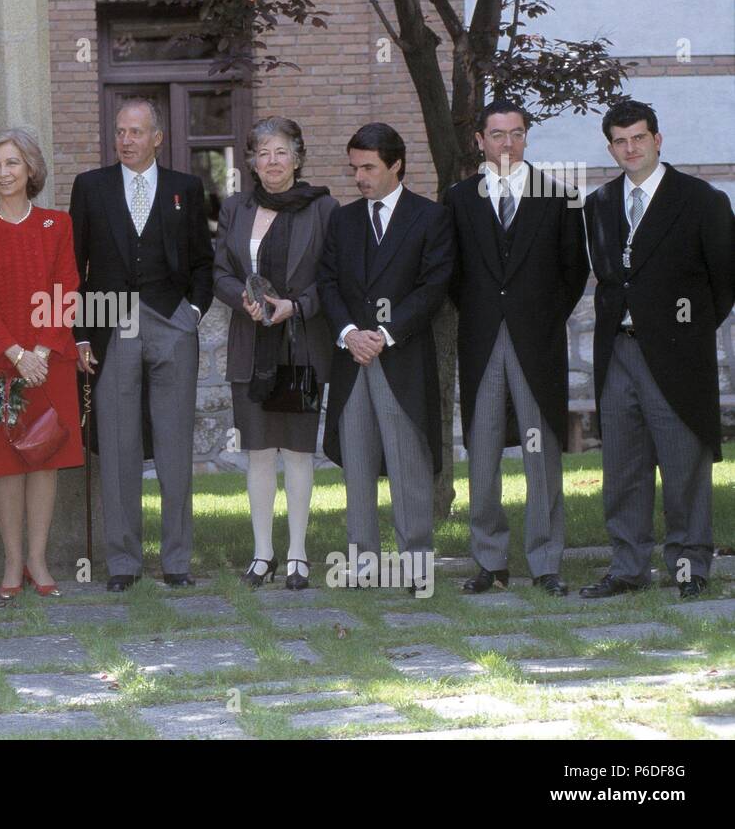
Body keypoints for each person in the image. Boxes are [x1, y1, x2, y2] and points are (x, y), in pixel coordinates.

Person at [580, 100, 733, 600]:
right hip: (617, 353)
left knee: (683, 466)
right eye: (620, 141)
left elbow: (724, 281)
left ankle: (689, 568)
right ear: (610, 148)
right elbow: (610, 280)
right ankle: (628, 568)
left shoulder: (701, 200)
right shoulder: (599, 204)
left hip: (676, 352)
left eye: (639, 138)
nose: (631, 148)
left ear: (657, 139)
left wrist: (685, 331)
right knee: (623, 468)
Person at [445, 100, 589, 597]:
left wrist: (541, 317)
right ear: (479, 141)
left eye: (517, 133)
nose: (508, 143)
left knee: (540, 452)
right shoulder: (458, 199)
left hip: (538, 342)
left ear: (526, 137)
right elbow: (452, 272)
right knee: (482, 451)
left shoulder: (560, 196)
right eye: (498, 134)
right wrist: (482, 312)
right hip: (482, 340)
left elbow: (573, 271)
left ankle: (546, 562)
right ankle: (490, 561)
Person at [69, 98, 214, 591]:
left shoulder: (185, 188)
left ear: (157, 138)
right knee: (117, 446)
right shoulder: (90, 187)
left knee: (174, 445)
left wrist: (193, 313)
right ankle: (123, 564)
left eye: (135, 132)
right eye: (119, 131)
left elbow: (203, 261)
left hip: (171, 319)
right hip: (110, 323)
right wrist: (81, 332)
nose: (125, 140)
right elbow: (74, 265)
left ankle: (177, 560)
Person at [317, 124, 454, 593]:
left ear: (396, 165)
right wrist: (349, 333)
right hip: (352, 360)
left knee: (408, 466)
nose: (359, 177)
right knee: (357, 467)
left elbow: (434, 286)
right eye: (354, 168)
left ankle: (416, 566)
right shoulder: (343, 220)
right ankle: (362, 564)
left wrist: (385, 334)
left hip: (402, 359)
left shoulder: (431, 218)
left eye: (369, 167)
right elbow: (327, 282)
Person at [0, 129, 84, 599]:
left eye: (12, 163)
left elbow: (66, 288)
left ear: (30, 169)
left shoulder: (57, 225)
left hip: (51, 363)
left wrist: (42, 352)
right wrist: (15, 354)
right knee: (5, 464)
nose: (3, 172)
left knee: (45, 457)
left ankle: (38, 559)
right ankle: (12, 562)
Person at [213, 117, 337, 590]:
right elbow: (220, 272)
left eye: (281, 152)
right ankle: (262, 554)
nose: (272, 161)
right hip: (252, 346)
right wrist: (241, 299)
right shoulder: (235, 208)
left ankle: (298, 555)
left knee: (299, 452)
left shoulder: (323, 208)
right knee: (260, 452)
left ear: (298, 157)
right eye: (263, 153)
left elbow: (332, 276)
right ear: (251, 162)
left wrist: (297, 306)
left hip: (300, 345)